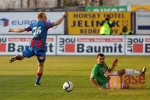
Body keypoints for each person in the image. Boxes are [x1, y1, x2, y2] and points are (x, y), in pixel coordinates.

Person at [8, 11, 67, 86]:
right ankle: (37, 82)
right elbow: (56, 23)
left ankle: (17, 57)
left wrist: (12, 30)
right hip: (40, 49)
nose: (46, 18)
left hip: (31, 47)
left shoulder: (33, 24)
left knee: (22, 56)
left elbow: (22, 29)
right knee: (41, 65)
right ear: (41, 18)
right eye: (45, 17)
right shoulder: (45, 24)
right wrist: (64, 16)